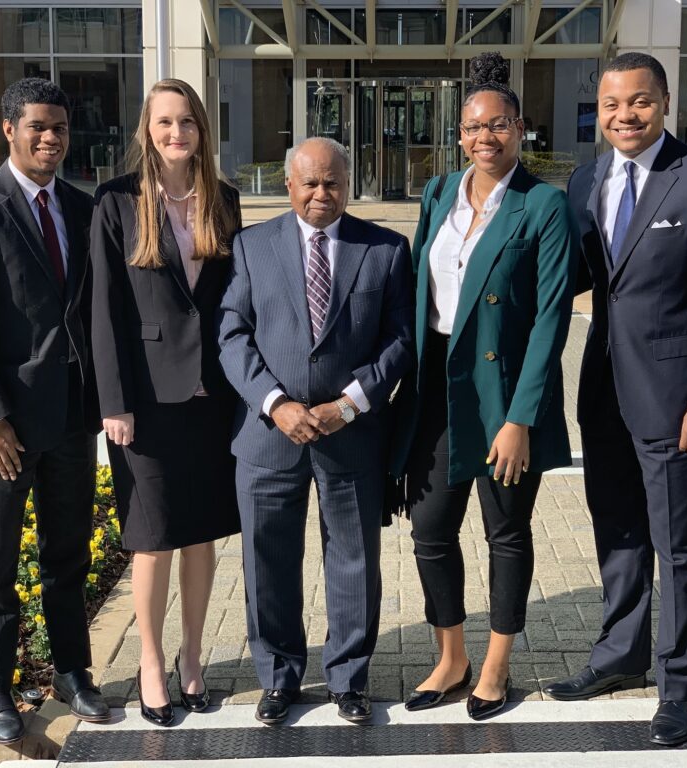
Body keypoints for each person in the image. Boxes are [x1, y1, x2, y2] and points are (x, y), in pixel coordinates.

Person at [544, 52, 687, 747]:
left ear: (664, 104)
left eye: (638, 102)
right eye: (610, 105)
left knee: (682, 546)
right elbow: (569, 279)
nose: (624, 116)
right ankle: (620, 658)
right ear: (596, 111)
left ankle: (680, 688)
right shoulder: (586, 180)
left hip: (677, 401)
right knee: (621, 536)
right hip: (603, 391)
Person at [388, 51, 579, 722]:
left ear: (520, 128)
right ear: (460, 134)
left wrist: (521, 418)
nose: (484, 138)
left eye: (498, 125)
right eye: (473, 127)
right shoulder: (438, 193)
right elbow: (418, 291)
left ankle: (495, 665)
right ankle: (452, 656)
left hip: (503, 394)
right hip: (439, 388)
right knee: (430, 529)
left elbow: (553, 315)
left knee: (506, 531)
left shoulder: (544, 204)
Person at [218, 137, 413, 725]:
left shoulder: (384, 249)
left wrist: (347, 406)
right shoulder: (252, 246)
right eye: (310, 183)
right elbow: (233, 335)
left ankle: (348, 680)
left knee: (354, 559)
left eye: (332, 182)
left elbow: (400, 341)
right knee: (267, 560)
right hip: (269, 433)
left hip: (349, 434)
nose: (321, 194)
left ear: (348, 182)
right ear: (288, 185)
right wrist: (275, 403)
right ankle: (278, 678)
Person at [0, 77, 109, 745]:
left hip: (70, 418)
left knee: (68, 555)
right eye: (37, 126)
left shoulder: (82, 207)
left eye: (60, 128)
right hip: (3, 429)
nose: (51, 137)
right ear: (9, 129)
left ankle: (71, 669)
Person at [90, 79, 242, 726]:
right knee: (151, 541)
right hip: (145, 404)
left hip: (213, 400)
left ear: (201, 130)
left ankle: (191, 658)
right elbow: (102, 311)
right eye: (164, 123)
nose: (175, 132)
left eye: (186, 122)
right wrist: (114, 402)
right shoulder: (116, 203)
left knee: (203, 537)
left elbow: (238, 301)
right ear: (147, 132)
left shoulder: (224, 200)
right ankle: (150, 662)